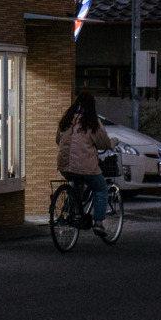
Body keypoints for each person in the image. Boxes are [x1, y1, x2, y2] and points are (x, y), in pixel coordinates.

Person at [56, 93, 118, 233]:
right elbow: (103, 143)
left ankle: (71, 212)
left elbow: (58, 140)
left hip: (64, 166)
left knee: (75, 182)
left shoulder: (66, 120)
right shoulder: (92, 122)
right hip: (85, 167)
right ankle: (98, 223)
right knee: (100, 189)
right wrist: (113, 142)